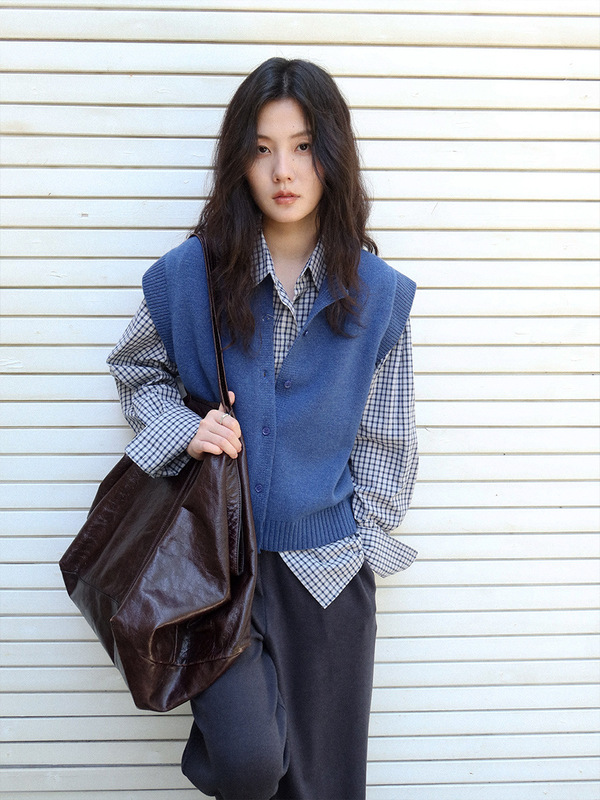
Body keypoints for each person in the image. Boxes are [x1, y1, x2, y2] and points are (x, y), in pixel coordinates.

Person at [107, 57, 418, 800]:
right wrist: (181, 429)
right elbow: (136, 369)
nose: (284, 169)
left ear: (332, 154)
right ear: (238, 162)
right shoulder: (187, 277)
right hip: (212, 568)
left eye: (304, 146)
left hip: (327, 572)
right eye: (262, 148)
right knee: (250, 764)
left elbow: (388, 437)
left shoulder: (379, 296)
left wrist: (362, 544)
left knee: (325, 784)